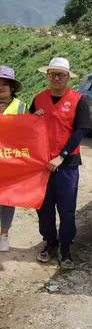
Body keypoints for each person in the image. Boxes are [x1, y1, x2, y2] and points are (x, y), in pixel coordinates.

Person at [30, 57, 90, 269]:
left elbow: (80, 131)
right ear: (47, 75)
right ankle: (50, 242)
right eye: (52, 74)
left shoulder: (78, 100)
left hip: (67, 164)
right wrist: (34, 118)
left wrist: (62, 156)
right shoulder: (38, 99)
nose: (56, 78)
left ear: (68, 77)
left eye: (60, 75)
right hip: (42, 164)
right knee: (43, 208)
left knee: (66, 209)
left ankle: (65, 248)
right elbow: (29, 129)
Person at [0, 66, 27, 252]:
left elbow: (29, 133)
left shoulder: (22, 107)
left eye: (4, 84)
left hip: (11, 161)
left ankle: (4, 235)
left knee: (8, 199)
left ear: (12, 87)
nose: (1, 87)